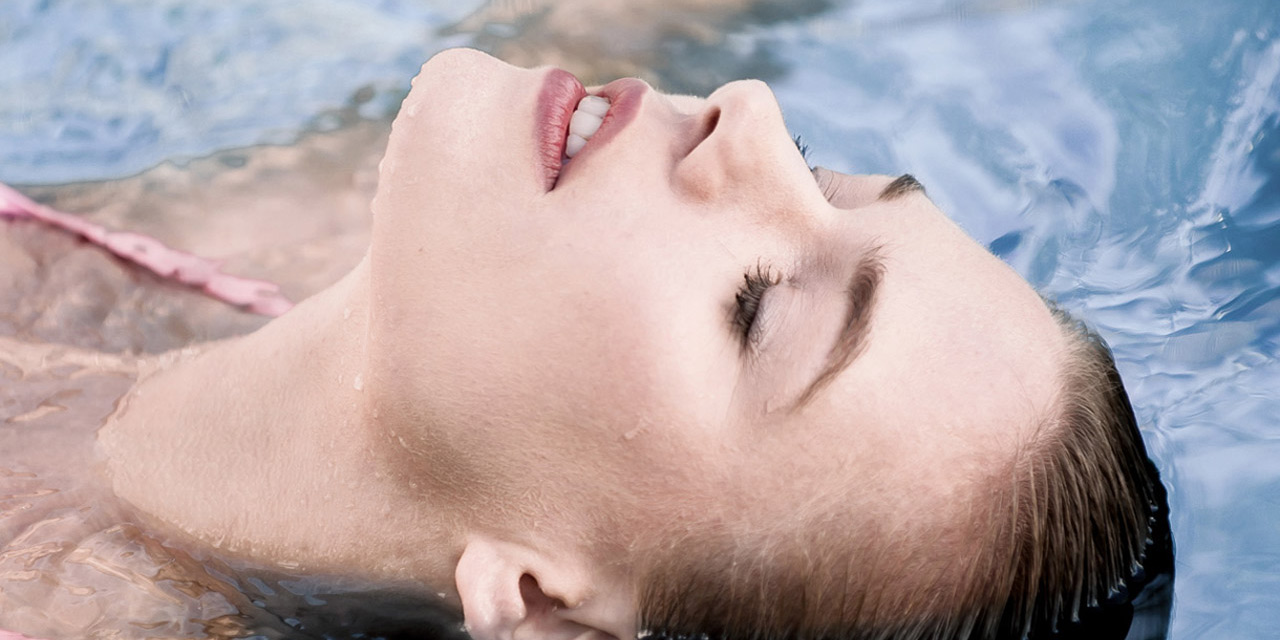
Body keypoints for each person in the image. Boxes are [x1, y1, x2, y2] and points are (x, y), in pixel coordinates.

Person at [0, 48, 1171, 640]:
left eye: (757, 304)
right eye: (822, 173)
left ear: (547, 609)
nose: (749, 116)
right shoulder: (312, 233)